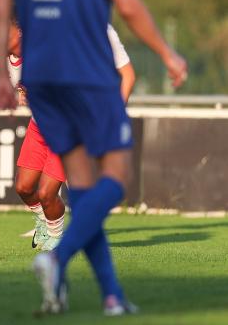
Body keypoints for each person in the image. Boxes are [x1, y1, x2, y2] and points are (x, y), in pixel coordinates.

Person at [0, 0, 187, 316]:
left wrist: (0, 71)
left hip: (45, 78)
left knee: (80, 186)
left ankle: (112, 296)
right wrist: (165, 51)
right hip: (85, 73)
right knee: (114, 180)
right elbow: (126, 2)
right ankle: (56, 258)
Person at [8, 19, 135, 251]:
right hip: (39, 128)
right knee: (23, 188)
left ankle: (57, 240)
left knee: (48, 193)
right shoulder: (12, 60)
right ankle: (48, 222)